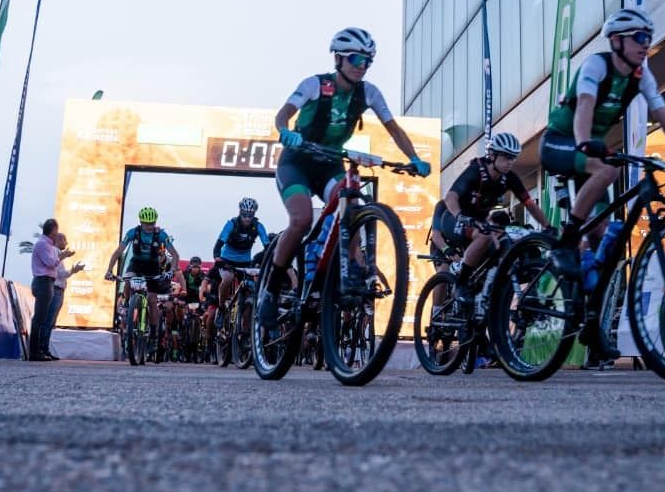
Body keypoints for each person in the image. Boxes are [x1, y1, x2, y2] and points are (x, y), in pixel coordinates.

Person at [539, 6, 665, 358]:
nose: (646, 44)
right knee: (607, 171)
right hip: (561, 141)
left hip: (589, 150)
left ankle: (589, 322)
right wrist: (584, 143)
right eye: (640, 38)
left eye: (649, 38)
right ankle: (566, 241)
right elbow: (584, 105)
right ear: (617, 41)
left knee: (605, 241)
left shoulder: (641, 74)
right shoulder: (597, 65)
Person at [258, 27, 430, 331]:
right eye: (355, 59)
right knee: (300, 221)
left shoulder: (369, 93)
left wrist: (413, 158)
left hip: (329, 163)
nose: (361, 67)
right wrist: (286, 131)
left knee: (350, 202)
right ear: (338, 59)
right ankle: (270, 290)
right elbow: (282, 115)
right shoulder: (315, 84)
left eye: (367, 61)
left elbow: (394, 129)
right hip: (297, 161)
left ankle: (344, 268)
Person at [431, 131, 546, 311]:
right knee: (483, 237)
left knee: (501, 243)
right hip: (454, 220)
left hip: (479, 223)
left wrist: (547, 227)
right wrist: (460, 216)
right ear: (492, 155)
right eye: (506, 157)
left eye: (513, 158)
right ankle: (460, 286)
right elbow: (451, 196)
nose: (510, 162)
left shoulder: (509, 178)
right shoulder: (476, 171)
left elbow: (530, 203)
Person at [103, 207, 177, 348]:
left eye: (152, 223)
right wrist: (109, 270)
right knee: (127, 280)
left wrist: (171, 271)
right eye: (147, 224)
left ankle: (154, 333)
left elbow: (175, 255)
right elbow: (118, 251)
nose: (150, 227)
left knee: (152, 299)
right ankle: (128, 304)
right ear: (141, 222)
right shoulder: (132, 233)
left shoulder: (161, 234)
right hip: (136, 264)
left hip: (152, 266)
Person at [213, 197, 269, 310]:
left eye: (250, 215)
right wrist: (217, 258)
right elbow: (218, 245)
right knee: (228, 279)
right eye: (244, 214)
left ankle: (246, 320)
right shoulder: (231, 224)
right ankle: (221, 307)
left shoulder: (259, 226)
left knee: (252, 287)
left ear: (254, 214)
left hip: (245, 262)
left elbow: (267, 247)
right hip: (227, 260)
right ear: (240, 212)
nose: (247, 218)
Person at [47, 232, 84, 358]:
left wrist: (73, 270)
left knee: (51, 322)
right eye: (65, 240)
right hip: (56, 289)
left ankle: (45, 349)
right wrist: (73, 271)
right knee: (48, 321)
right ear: (59, 240)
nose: (66, 244)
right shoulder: (55, 252)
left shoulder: (56, 253)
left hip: (59, 290)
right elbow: (59, 274)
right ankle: (43, 349)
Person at [29, 219, 61, 361]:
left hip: (46, 282)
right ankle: (35, 352)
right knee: (39, 319)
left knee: (42, 318)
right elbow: (50, 263)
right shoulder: (43, 244)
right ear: (52, 230)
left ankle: (40, 350)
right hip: (43, 282)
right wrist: (61, 257)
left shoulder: (47, 244)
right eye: (56, 230)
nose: (57, 234)